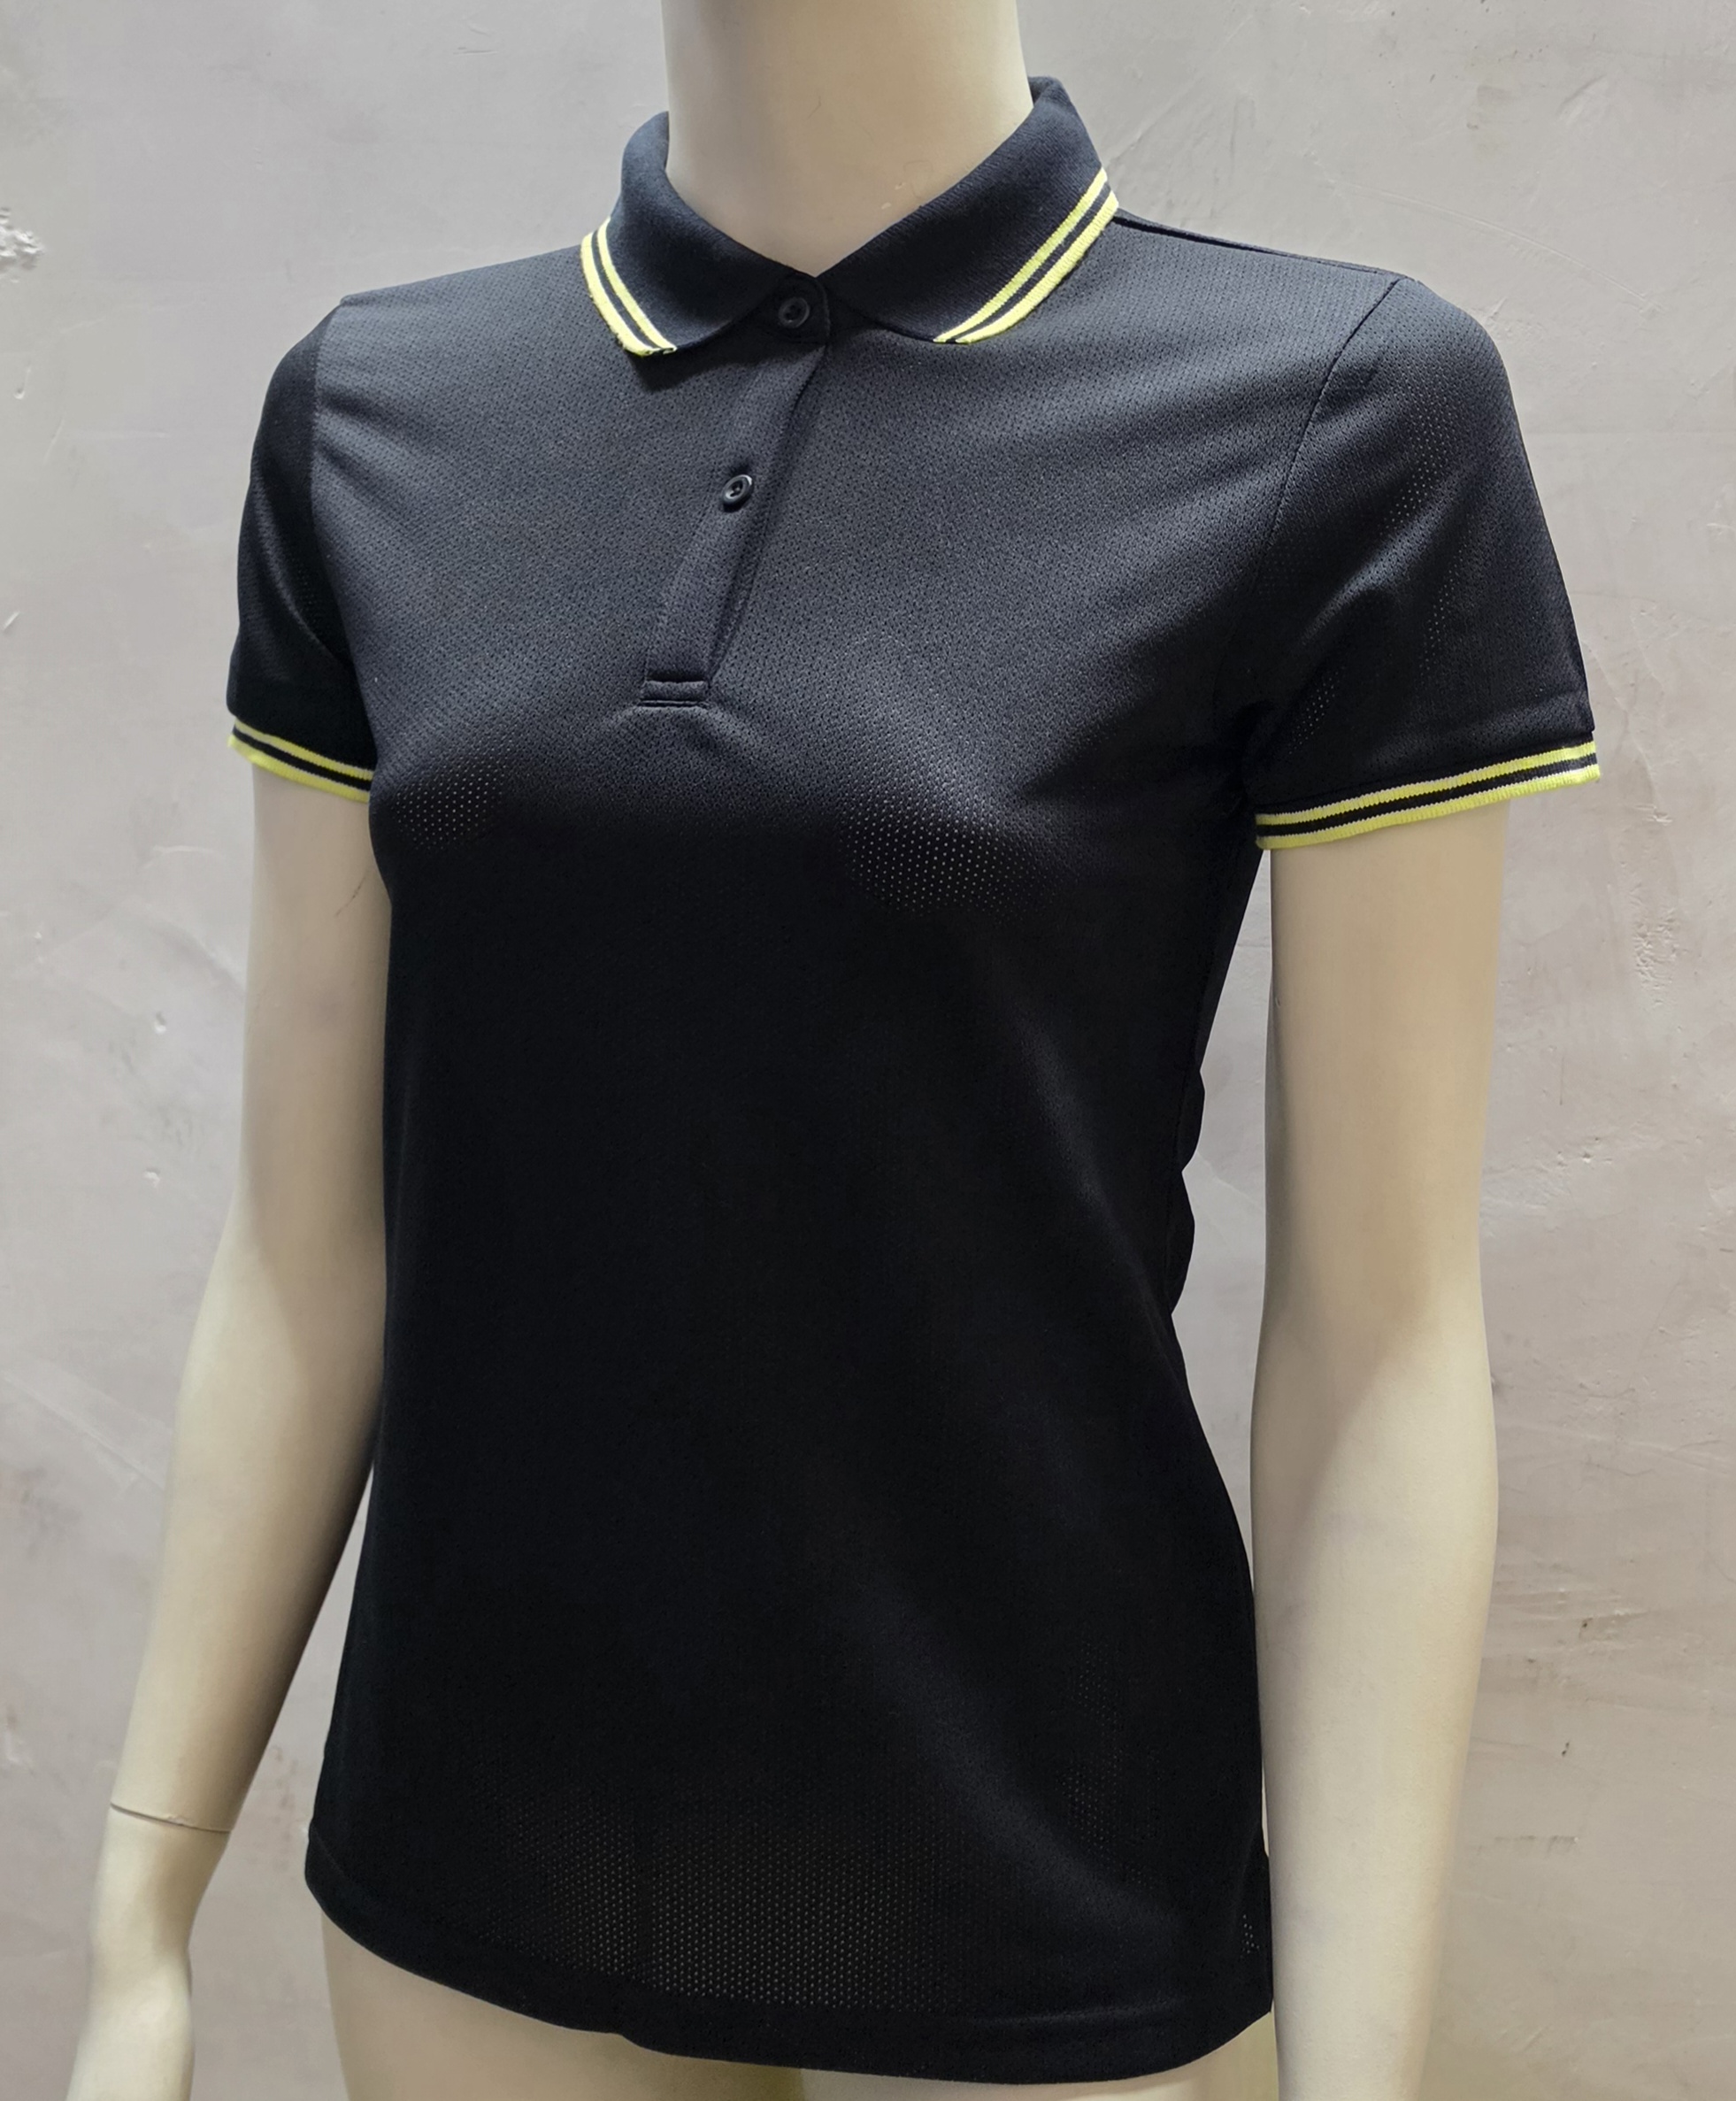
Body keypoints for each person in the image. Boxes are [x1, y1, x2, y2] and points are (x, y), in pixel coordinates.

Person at [65, 4, 1598, 2099]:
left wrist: (1357, 2067)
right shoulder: (375, 411)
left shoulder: (1338, 405)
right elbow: (303, 1249)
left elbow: (1382, 1343)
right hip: (484, 1855)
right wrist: (140, 1905)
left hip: (1052, 1876)